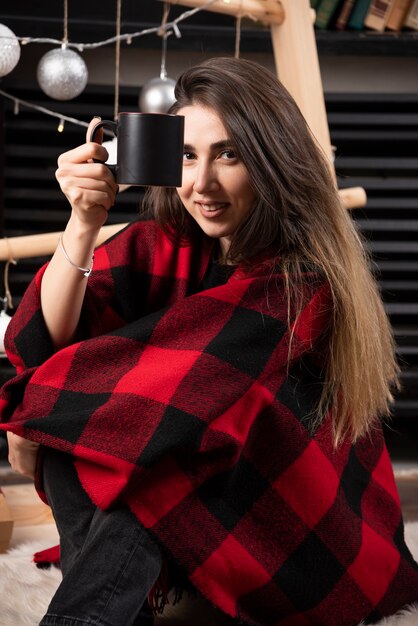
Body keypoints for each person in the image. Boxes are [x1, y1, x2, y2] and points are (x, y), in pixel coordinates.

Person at [1, 56, 418, 626]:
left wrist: (33, 413)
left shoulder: (303, 278)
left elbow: (179, 394)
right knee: (94, 441)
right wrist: (83, 222)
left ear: (272, 161)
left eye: (229, 154)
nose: (201, 185)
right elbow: (51, 337)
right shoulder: (165, 242)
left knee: (151, 459)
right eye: (187, 156)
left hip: (292, 509)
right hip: (203, 472)